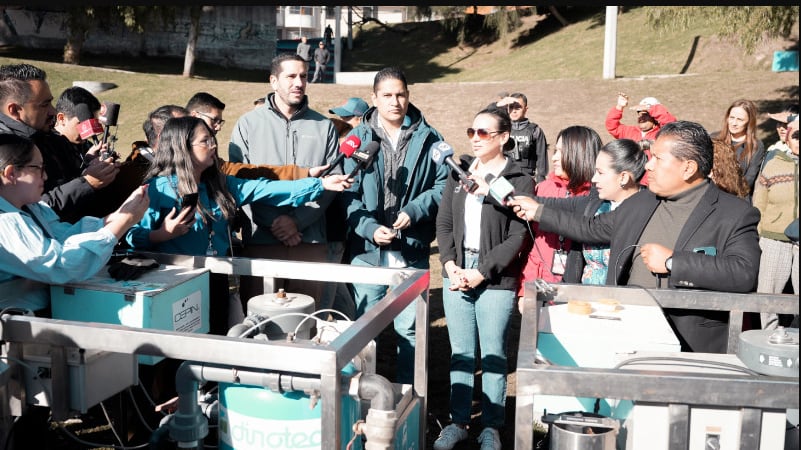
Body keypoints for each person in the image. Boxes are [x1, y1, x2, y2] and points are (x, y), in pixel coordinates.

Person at [507, 120, 762, 354]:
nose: (648, 165)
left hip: (691, 348)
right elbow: (590, 228)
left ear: (688, 168)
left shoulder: (735, 213)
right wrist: (538, 212)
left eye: (658, 159)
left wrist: (673, 262)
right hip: (628, 339)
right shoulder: (641, 201)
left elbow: (744, 273)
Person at [125, 116, 350, 335]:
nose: (213, 145)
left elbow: (267, 189)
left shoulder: (221, 184)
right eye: (205, 141)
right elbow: (131, 235)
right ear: (183, 147)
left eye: (212, 139)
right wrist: (162, 234)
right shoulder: (157, 189)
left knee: (219, 339)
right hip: (175, 285)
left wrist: (320, 184)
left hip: (218, 279)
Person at [433, 106, 532, 450]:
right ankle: (458, 422)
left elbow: (517, 237)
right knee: (460, 352)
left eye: (483, 132)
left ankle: (491, 427)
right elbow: (444, 223)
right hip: (457, 270)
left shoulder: (520, 179)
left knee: (493, 354)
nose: (475, 139)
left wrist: (481, 272)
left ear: (503, 137)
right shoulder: (458, 171)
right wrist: (449, 264)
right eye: (471, 131)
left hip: (496, 276)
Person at [342, 66, 448, 384]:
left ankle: (410, 394)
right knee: (363, 330)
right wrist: (368, 228)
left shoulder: (431, 138)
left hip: (411, 249)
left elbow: (443, 185)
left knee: (410, 330)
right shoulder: (356, 140)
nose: (395, 101)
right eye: (387, 95)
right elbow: (346, 193)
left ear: (408, 95)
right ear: (374, 98)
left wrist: (415, 210)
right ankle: (361, 394)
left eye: (400, 94)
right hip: (367, 252)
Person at [229, 53, 340, 310]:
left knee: (308, 320)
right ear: (273, 81)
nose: (298, 83)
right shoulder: (247, 125)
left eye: (303, 76)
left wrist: (297, 221)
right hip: (260, 240)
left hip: (309, 241)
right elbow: (239, 181)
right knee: (258, 319)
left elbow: (332, 183)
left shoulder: (324, 126)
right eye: (291, 76)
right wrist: (273, 222)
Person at [0, 133, 148, 314]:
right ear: (11, 174)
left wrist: (118, 216)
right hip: (22, 324)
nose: (45, 176)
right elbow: (61, 265)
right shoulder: (5, 222)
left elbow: (64, 236)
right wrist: (120, 224)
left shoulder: (31, 208)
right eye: (38, 168)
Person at [529, 139, 648, 287]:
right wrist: (512, 197)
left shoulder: (645, 210)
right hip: (583, 297)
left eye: (600, 173)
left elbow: (587, 228)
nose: (594, 179)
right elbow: (553, 204)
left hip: (619, 298)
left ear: (623, 177)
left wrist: (538, 212)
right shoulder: (595, 203)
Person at [519, 125, 599, 285]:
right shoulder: (543, 188)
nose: (554, 158)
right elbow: (528, 242)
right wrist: (523, 287)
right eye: (554, 151)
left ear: (580, 154)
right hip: (537, 282)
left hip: (576, 286)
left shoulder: (596, 196)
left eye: (561, 152)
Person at [34, 86, 120, 223]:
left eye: (92, 123)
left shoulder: (87, 146)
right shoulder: (44, 149)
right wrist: (87, 176)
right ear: (61, 118)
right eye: (81, 124)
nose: (87, 131)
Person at [752, 115, 798, 329]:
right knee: (767, 293)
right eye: (796, 136)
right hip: (773, 237)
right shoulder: (773, 163)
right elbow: (759, 202)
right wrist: (759, 232)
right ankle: (767, 334)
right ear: (787, 138)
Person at [713, 98, 765, 196]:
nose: (734, 123)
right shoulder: (714, 139)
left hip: (738, 197)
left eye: (740, 120)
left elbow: (749, 180)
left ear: (749, 122)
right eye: (731, 117)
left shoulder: (756, 146)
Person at [496, 93, 548, 182]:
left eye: (518, 108)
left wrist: (540, 180)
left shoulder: (535, 131)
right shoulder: (502, 129)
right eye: (511, 107)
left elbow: (542, 159)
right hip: (505, 177)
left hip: (527, 178)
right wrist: (499, 106)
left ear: (525, 109)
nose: (514, 111)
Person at [0, 63, 56, 139]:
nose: (54, 112)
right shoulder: (7, 144)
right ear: (14, 110)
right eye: (45, 105)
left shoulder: (45, 137)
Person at [605, 93, 676, 144]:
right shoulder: (629, 132)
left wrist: (650, 108)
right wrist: (619, 107)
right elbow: (612, 126)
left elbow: (672, 125)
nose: (641, 117)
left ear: (655, 117)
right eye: (639, 113)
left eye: (645, 114)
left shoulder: (663, 134)